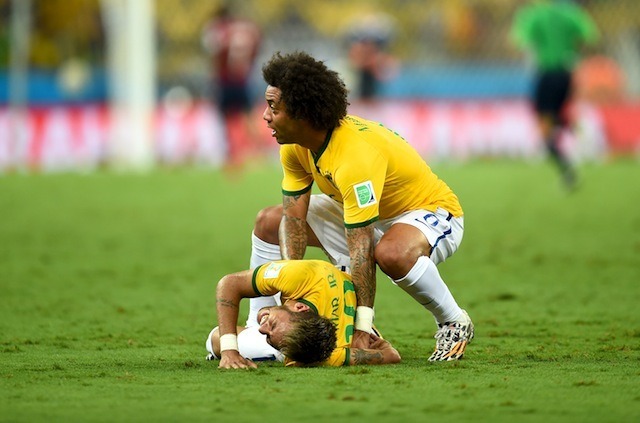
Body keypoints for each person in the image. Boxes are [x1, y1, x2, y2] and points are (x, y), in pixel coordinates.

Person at [247, 51, 474, 363]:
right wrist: (292, 294)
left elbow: (361, 246)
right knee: (271, 222)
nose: (265, 115)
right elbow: (294, 221)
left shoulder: (354, 158)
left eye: (273, 106)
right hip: (361, 212)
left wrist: (363, 325)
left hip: (429, 212)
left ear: (301, 112)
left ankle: (452, 321)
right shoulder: (295, 148)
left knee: (390, 253)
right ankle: (254, 324)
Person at [207, 259, 401, 369]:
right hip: (316, 281)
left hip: (322, 322)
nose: (262, 328)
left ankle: (266, 344)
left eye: (268, 337)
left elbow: (391, 356)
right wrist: (229, 351)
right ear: (300, 307)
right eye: (272, 325)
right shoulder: (303, 276)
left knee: (215, 339)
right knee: (268, 223)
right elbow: (230, 283)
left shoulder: (330, 352)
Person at [510, 0, 600, 190]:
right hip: (567, 73)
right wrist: (571, 49)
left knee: (544, 124)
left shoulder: (534, 14)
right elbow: (590, 35)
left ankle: (566, 167)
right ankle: (581, 136)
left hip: (547, 74)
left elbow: (519, 40)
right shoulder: (570, 12)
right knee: (559, 115)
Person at [201, 3, 262, 167]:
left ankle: (232, 155)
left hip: (224, 79)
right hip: (244, 78)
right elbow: (257, 47)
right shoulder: (247, 29)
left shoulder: (217, 29)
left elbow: (211, 50)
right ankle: (257, 151)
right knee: (248, 116)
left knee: (227, 118)